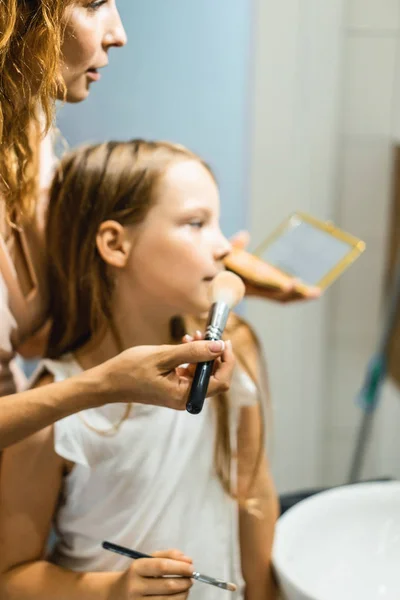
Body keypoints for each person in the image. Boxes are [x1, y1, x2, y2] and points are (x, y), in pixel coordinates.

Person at [0, 0, 318, 450]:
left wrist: (208, 266)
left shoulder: (26, 124)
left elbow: (33, 323)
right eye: (93, 4)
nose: (119, 32)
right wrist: (102, 385)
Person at [0, 139, 279, 599]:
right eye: (196, 223)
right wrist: (113, 590)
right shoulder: (49, 412)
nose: (223, 245)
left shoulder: (237, 349)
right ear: (115, 243)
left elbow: (253, 490)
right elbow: (12, 576)